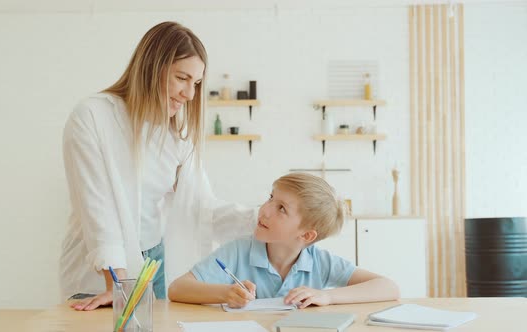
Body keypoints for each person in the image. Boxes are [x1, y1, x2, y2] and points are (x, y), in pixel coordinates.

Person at [59, 21, 255, 311]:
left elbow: (200, 206)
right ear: (152, 67)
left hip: (153, 262)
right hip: (100, 269)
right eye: (182, 78)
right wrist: (117, 284)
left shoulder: (176, 134)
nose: (190, 94)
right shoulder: (93, 115)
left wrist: (265, 220)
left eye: (197, 83)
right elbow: (97, 206)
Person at [168, 173, 400, 308]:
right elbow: (177, 289)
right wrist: (225, 293)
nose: (265, 210)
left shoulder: (320, 261)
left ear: (306, 235)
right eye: (270, 198)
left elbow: (389, 287)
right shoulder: (237, 251)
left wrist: (327, 296)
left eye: (281, 208)